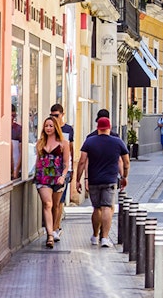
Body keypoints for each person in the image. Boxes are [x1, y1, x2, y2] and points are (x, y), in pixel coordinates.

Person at [75, 116, 130, 247]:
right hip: (110, 180)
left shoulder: (89, 141)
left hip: (94, 180)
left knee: (96, 208)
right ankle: (105, 238)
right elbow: (126, 162)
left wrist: (78, 179)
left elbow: (82, 161)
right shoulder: (118, 142)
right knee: (107, 207)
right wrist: (124, 177)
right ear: (109, 128)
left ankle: (95, 236)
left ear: (97, 128)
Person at [34, 116, 71, 249]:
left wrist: (63, 176)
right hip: (43, 177)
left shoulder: (64, 143)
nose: (48, 128)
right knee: (47, 204)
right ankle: (50, 235)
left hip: (57, 177)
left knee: (56, 206)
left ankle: (54, 229)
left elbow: (66, 163)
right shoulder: (40, 143)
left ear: (55, 127)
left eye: (51, 126)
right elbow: (38, 160)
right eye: (46, 126)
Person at [48, 104, 75, 240]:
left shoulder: (68, 130)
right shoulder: (49, 129)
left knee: (59, 201)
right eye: (51, 116)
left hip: (64, 170)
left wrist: (71, 169)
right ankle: (52, 228)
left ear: (62, 115)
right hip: (50, 170)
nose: (54, 118)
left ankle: (56, 228)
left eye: (56, 116)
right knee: (50, 203)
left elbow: (71, 148)